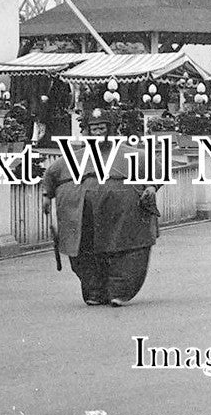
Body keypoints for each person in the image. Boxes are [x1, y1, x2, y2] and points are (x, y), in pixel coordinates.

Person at [42, 109, 161, 306]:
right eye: (94, 128)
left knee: (127, 251)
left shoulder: (135, 155)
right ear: (87, 131)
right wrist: (47, 195)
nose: (98, 133)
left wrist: (151, 186)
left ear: (111, 130)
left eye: (102, 128)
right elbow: (52, 173)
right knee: (85, 252)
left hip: (124, 215)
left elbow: (155, 169)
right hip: (85, 215)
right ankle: (94, 292)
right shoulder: (74, 157)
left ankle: (119, 292)